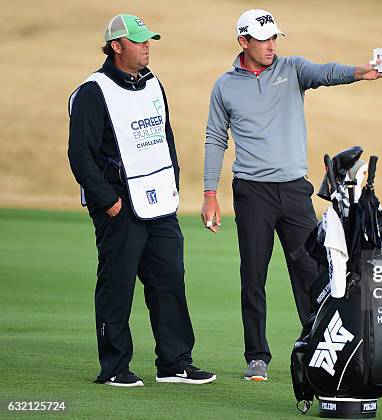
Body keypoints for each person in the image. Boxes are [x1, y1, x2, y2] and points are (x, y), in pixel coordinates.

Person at [201, 9, 382, 381]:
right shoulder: (224, 86)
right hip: (252, 193)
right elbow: (215, 138)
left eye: (274, 39)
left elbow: (324, 72)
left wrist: (358, 72)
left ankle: (317, 347)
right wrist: (210, 193)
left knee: (311, 272)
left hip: (294, 190)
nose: (271, 46)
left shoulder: (292, 69)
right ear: (243, 42)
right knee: (253, 274)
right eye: (263, 39)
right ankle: (256, 355)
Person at [68, 14, 215, 387]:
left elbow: (164, 137)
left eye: (149, 40)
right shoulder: (92, 91)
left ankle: (174, 363)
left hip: (160, 206)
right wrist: (109, 202)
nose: (147, 46)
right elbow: (80, 156)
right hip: (120, 208)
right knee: (117, 288)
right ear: (116, 46)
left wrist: (173, 184)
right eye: (138, 41)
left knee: (169, 281)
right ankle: (115, 367)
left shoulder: (153, 83)